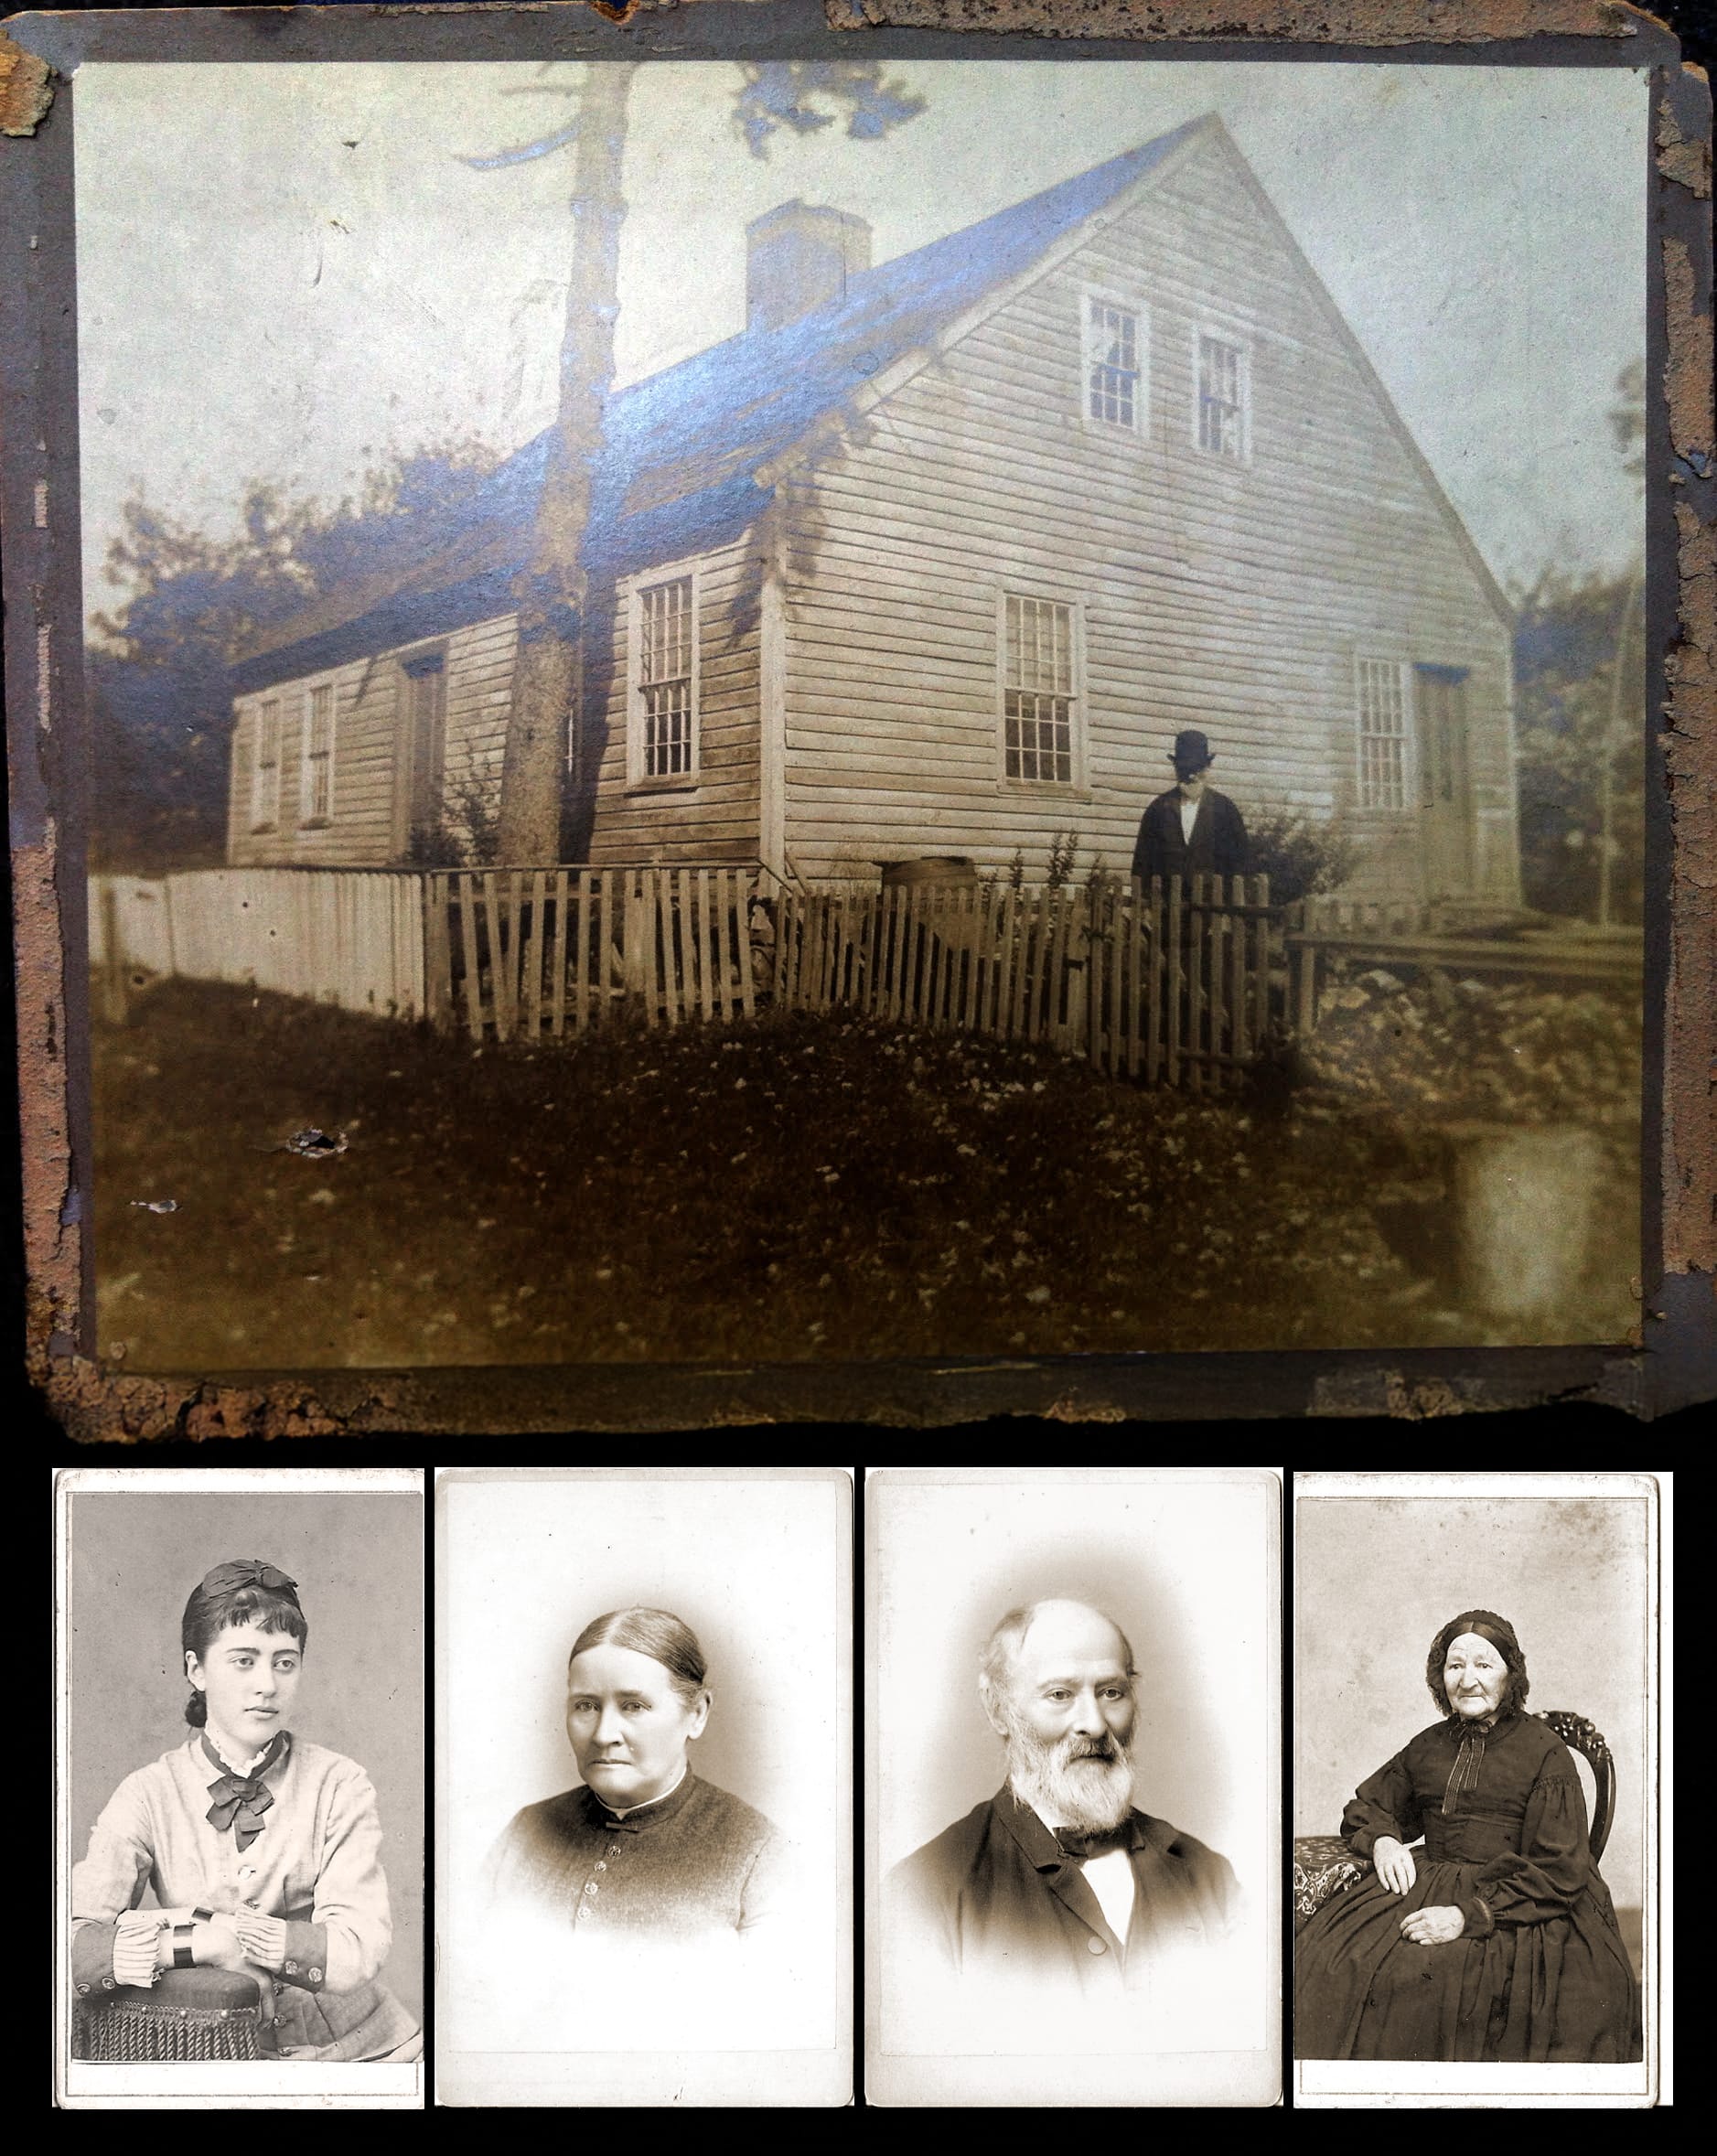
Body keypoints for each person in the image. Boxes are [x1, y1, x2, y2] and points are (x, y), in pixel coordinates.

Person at [70, 1559, 422, 2062]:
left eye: (285, 1662)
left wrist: (230, 1936)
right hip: (204, 2043)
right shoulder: (146, 1793)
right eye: (243, 1660)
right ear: (196, 1670)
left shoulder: (340, 1783)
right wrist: (207, 1944)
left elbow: (357, 1948)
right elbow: (72, 1943)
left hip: (354, 2046)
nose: (267, 1684)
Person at [1295, 1608, 1641, 2062]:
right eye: (1455, 1665)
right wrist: (1383, 1840)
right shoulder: (1430, 1744)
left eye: (1484, 1665)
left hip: (1521, 1905)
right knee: (1330, 1961)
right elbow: (1370, 1806)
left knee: (1425, 1981)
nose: (1468, 1680)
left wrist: (1466, 1917)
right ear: (1441, 1678)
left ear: (1510, 1676)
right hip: (1428, 1881)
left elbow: (1560, 1870)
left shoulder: (1547, 1755)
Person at [888, 1598, 1236, 2000]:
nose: (1093, 1723)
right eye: (1059, 1694)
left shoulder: (1210, 1877)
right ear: (998, 1709)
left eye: (1111, 1692)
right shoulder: (925, 1894)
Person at [488, 1605, 787, 1939]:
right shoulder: (524, 1833)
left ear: (697, 1713)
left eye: (634, 1706)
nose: (603, 1735)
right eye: (586, 1706)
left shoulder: (759, 1854)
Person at [1131, 728, 1250, 885]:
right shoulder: (1158, 809)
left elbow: (1241, 864)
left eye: (1197, 768)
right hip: (1167, 905)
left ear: (1208, 767)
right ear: (1175, 767)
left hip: (1212, 905)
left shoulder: (1225, 810)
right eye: (1184, 769)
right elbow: (1142, 865)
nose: (1191, 776)